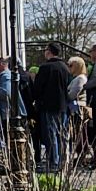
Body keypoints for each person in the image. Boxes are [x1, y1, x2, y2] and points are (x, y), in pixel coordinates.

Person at [34, 42, 71, 170]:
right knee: (62, 134)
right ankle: (62, 161)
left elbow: (37, 88)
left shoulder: (46, 68)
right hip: (63, 105)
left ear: (49, 51)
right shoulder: (65, 67)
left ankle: (53, 162)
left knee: (51, 135)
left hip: (49, 105)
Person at [68, 56, 89, 156]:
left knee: (79, 133)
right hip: (76, 107)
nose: (69, 68)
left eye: (71, 65)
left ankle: (82, 154)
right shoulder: (77, 78)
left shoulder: (80, 78)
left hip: (78, 108)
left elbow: (73, 94)